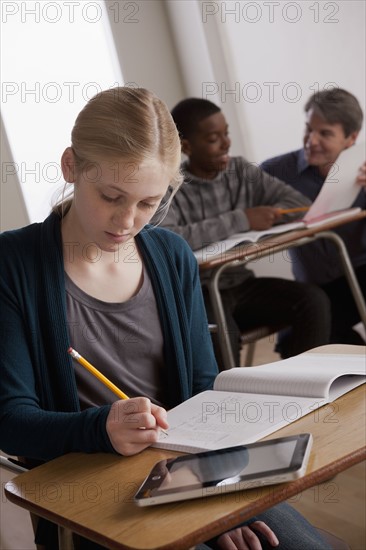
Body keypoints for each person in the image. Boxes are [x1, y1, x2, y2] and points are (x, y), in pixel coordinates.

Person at [0, 87, 331, 550]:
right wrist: (102, 428)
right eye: (111, 196)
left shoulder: (171, 255)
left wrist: (215, 497)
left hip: (188, 468)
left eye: (147, 202)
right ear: (71, 165)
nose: (126, 221)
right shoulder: (12, 264)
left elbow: (201, 385)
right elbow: (10, 419)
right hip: (84, 488)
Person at [160, 97, 331, 366]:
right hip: (200, 293)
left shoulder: (239, 171)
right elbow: (171, 241)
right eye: (215, 138)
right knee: (220, 337)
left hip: (241, 283)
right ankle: (233, 404)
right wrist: (242, 219)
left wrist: (266, 216)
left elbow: (300, 206)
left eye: (226, 133)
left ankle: (306, 382)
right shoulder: (169, 186)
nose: (227, 143)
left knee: (313, 301)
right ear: (187, 146)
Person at [261, 88, 366, 345]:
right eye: (309, 129)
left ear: (351, 138)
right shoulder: (273, 172)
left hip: (362, 274)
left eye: (325, 133)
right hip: (319, 288)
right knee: (294, 342)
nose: (311, 140)